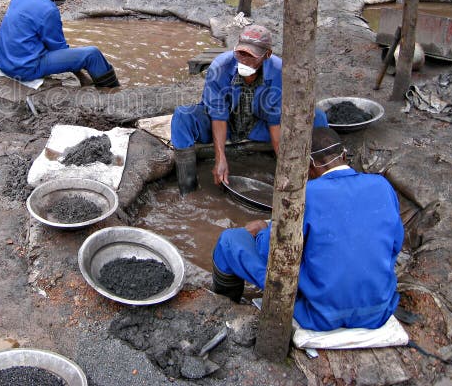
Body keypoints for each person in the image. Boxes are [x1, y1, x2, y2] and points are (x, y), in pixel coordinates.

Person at [211, 127, 405, 331]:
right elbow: (395, 244)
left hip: (321, 316)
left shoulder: (305, 195)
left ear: (309, 164)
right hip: (379, 310)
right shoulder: (382, 185)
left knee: (229, 241)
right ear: (345, 155)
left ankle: (225, 307)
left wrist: (261, 231)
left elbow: (272, 251)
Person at [170, 24, 328, 194]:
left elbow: (275, 123)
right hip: (226, 125)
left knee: (316, 116)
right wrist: (220, 159)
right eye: (240, 53)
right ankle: (188, 189)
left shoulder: (278, 72)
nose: (243, 60)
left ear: (266, 55)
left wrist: (285, 170)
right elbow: (218, 117)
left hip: (260, 126)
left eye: (250, 56)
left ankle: (320, 178)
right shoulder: (220, 67)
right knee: (182, 117)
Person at [0, 0, 120, 88]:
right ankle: (112, 91)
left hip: (2, 60)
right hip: (23, 69)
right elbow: (58, 47)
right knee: (92, 54)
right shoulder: (49, 10)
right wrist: (82, 76)